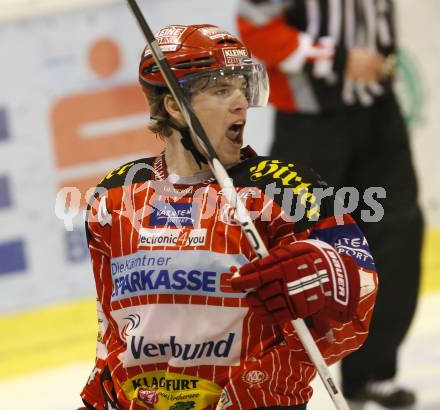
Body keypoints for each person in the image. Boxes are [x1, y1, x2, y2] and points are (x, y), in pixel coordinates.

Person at [78, 24, 377, 410]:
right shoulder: (116, 193)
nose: (241, 102)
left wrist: (334, 274)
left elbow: (360, 304)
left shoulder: (286, 187)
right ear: (173, 105)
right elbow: (110, 327)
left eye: (241, 86)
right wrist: (99, 400)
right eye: (221, 90)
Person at [236, 0, 424, 409]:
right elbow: (256, 29)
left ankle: (370, 374)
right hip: (311, 127)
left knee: (396, 237)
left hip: (378, 115)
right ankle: (271, 382)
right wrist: (338, 59)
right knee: (289, 247)